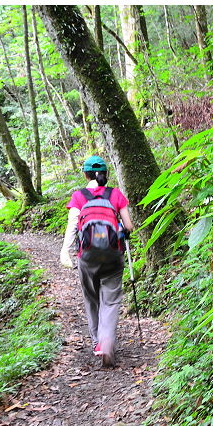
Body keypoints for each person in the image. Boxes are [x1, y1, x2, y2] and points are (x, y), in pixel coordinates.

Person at [60, 156, 135, 368]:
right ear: (105, 175)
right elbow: (129, 226)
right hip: (113, 254)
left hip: (87, 256)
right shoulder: (116, 194)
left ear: (85, 174)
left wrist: (65, 251)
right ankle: (107, 342)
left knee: (92, 299)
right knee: (110, 301)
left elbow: (72, 226)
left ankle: (97, 343)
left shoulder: (78, 196)